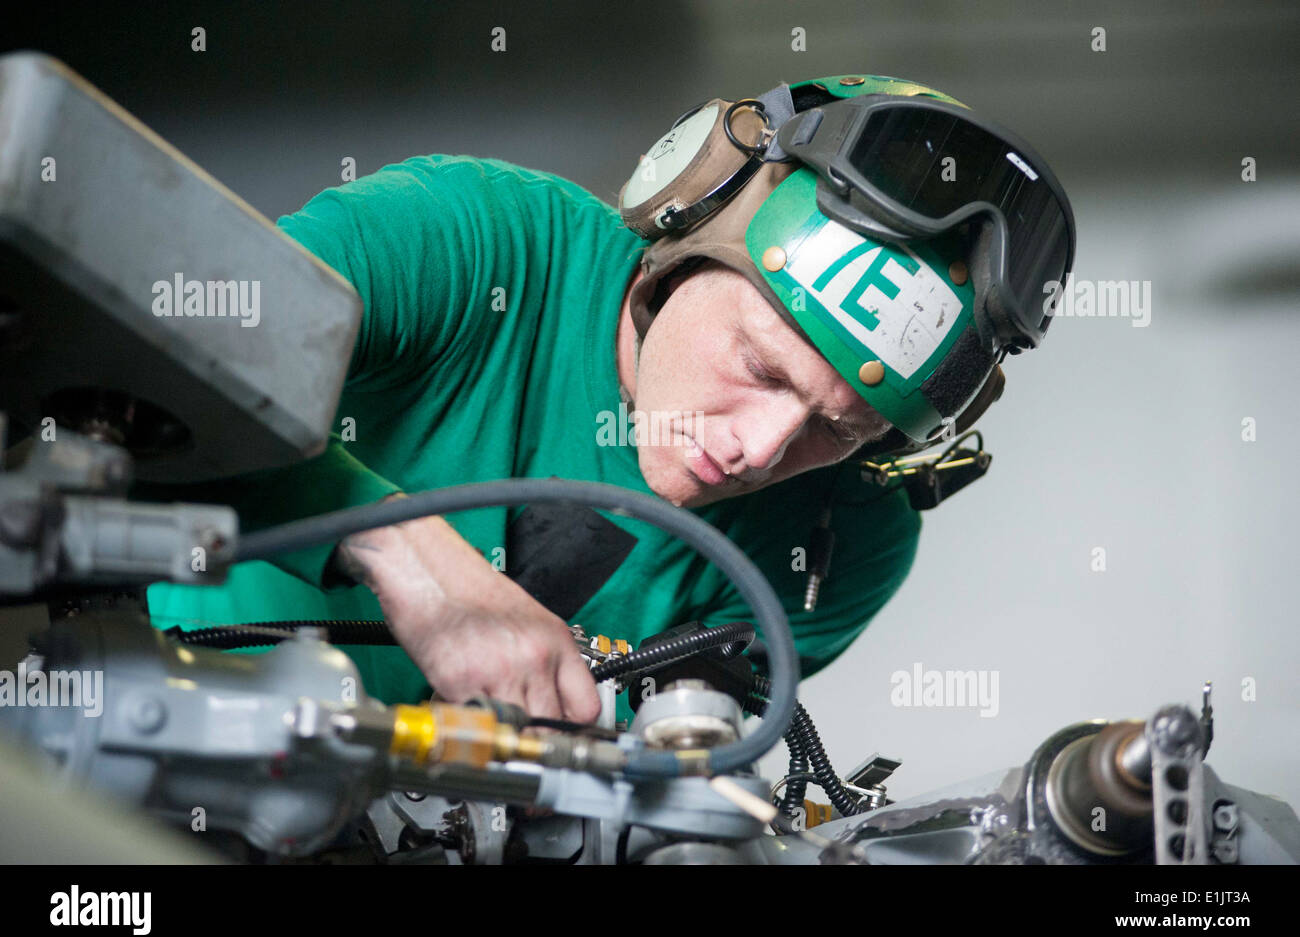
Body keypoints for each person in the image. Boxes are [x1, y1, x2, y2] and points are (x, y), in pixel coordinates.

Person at [146, 73, 1074, 725]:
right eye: (760, 366)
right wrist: (400, 544)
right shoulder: (469, 241)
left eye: (835, 427)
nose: (759, 447)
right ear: (690, 223)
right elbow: (157, 357)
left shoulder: (851, 539)